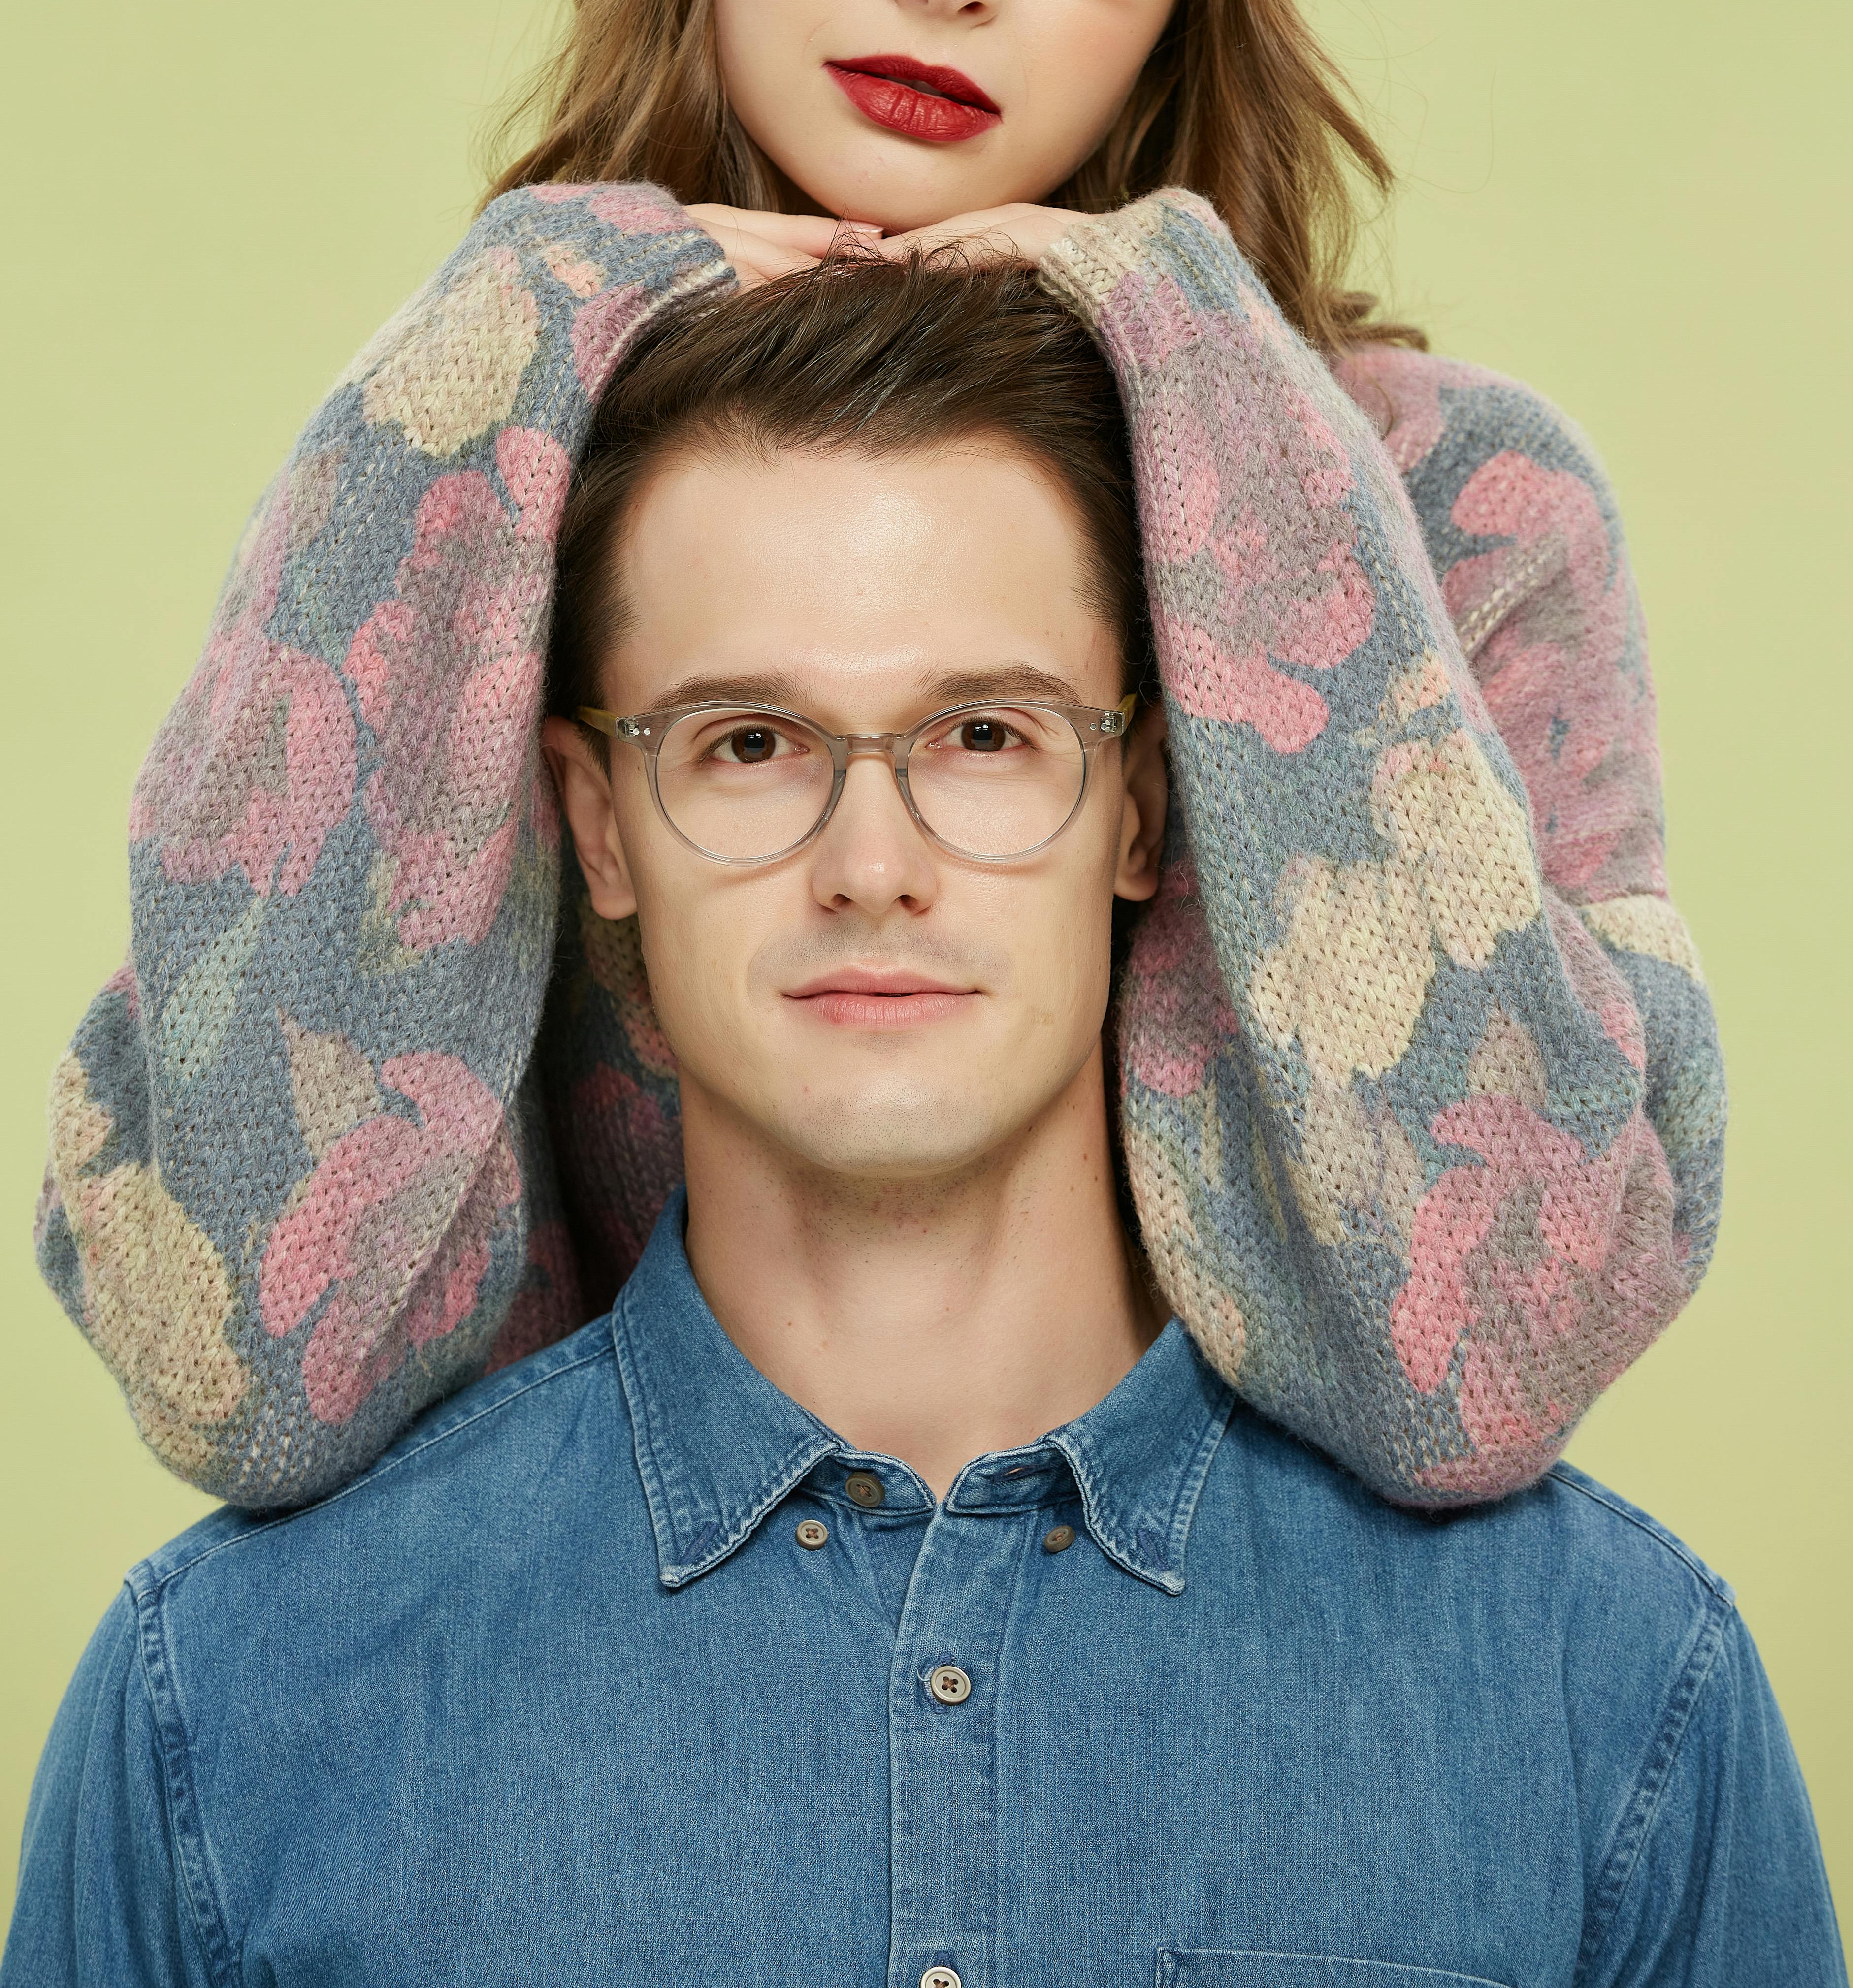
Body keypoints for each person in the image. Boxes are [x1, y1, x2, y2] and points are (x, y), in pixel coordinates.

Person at [36, 0, 1723, 1513]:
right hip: (612, 1688)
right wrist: (517, 312)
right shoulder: (479, 473)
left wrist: (1190, 341)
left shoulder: (1449, 513)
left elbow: (1501, 1349)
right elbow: (241, 1370)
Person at [8, 258, 1838, 1986]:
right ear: (598, 826)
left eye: (984, 736)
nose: (870, 864)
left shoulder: (1609, 1690)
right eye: (748, 743)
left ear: (1142, 808)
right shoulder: (225, 1707)